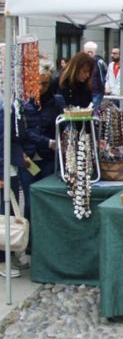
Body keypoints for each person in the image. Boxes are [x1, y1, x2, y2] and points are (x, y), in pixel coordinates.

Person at [19, 66, 65, 222]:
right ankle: (30, 240)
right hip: (28, 158)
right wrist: (48, 142)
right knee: (30, 203)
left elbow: (63, 125)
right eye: (38, 83)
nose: (41, 87)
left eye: (45, 83)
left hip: (49, 158)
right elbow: (23, 131)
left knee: (48, 201)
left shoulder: (57, 101)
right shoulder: (24, 102)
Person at [0, 100, 27, 277]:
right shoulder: (3, 106)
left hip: (11, 164)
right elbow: (3, 140)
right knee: (5, 214)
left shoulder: (9, 102)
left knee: (10, 211)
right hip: (5, 166)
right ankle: (3, 260)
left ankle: (9, 255)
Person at [83, 41, 107, 111]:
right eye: (88, 52)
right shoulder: (82, 63)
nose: (90, 54)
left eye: (91, 52)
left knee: (95, 111)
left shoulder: (99, 63)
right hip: (85, 91)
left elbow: (103, 76)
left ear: (94, 52)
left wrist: (103, 88)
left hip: (96, 92)